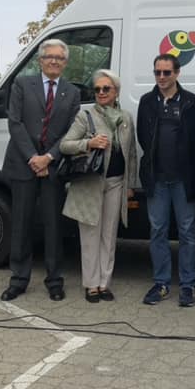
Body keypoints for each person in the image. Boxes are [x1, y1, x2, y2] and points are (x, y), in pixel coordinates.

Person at [0, 39, 80, 302]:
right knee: (21, 225)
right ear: (40, 60)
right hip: (24, 164)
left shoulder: (72, 92)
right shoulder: (22, 84)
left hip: (53, 167)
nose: (54, 61)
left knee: (53, 226)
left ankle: (54, 281)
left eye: (59, 58)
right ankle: (18, 280)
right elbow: (15, 123)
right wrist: (33, 158)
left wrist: (48, 157)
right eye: (49, 57)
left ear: (65, 63)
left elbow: (72, 130)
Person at [60, 70, 136, 302]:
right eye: (97, 89)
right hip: (90, 183)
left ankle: (104, 283)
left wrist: (130, 184)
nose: (101, 93)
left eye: (106, 89)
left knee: (109, 235)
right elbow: (65, 145)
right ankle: (91, 284)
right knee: (90, 235)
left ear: (116, 92)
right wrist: (88, 143)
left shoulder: (125, 117)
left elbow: (132, 154)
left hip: (116, 183)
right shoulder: (86, 116)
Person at [137, 54, 195, 308]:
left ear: (177, 73)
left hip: (184, 180)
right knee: (158, 231)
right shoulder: (146, 102)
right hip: (157, 180)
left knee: (188, 233)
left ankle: (187, 285)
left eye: (167, 72)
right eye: (158, 72)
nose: (162, 77)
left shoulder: (192, 102)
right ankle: (161, 283)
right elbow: (144, 137)